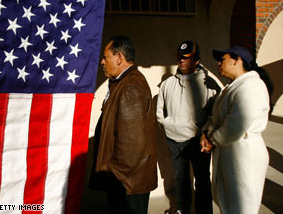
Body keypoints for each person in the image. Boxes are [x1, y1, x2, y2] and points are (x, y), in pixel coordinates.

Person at [200, 46, 273, 214]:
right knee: (229, 205)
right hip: (230, 154)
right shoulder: (232, 87)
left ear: (237, 60)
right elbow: (215, 117)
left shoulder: (252, 86)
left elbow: (237, 124)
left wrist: (212, 139)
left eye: (222, 59)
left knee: (242, 208)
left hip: (245, 157)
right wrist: (206, 132)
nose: (218, 63)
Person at [89, 35, 157, 214]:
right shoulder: (122, 83)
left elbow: (131, 146)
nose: (102, 62)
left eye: (106, 57)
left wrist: (114, 175)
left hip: (127, 183)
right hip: (125, 181)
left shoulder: (130, 87)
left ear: (119, 58)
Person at [156, 41, 221, 214]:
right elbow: (159, 114)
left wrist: (204, 132)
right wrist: (168, 126)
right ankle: (181, 209)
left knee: (202, 180)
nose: (181, 60)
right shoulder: (167, 84)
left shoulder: (209, 84)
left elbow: (216, 113)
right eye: (179, 57)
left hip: (199, 139)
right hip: (174, 140)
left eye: (186, 57)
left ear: (197, 60)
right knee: (181, 178)